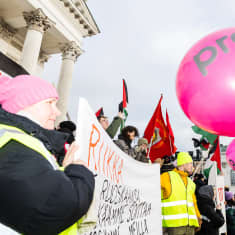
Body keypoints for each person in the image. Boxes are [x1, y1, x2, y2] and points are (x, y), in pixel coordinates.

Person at [0, 75, 95, 235]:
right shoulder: (11, 141)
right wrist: (79, 172)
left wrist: (63, 171)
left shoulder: (26, 139)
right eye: (49, 102)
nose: (57, 111)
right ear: (24, 104)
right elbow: (55, 206)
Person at [161, 152, 201, 235]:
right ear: (183, 164)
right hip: (174, 226)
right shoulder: (167, 176)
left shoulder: (190, 182)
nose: (192, 166)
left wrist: (198, 217)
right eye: (190, 163)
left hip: (190, 226)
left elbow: (193, 203)